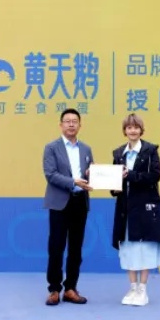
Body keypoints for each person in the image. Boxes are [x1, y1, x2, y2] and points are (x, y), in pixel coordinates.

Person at [110, 113, 160, 306]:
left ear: (141, 130)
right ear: (124, 131)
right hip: (125, 209)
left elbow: (155, 175)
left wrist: (131, 175)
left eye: (136, 127)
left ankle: (143, 289)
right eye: (129, 127)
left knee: (145, 249)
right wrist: (108, 182)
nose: (132, 131)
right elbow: (115, 182)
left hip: (145, 208)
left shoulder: (150, 150)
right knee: (128, 249)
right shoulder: (119, 153)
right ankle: (132, 287)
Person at [42, 108, 94, 306]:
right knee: (56, 246)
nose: (71, 124)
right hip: (59, 202)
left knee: (76, 248)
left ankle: (71, 288)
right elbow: (50, 174)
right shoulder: (51, 148)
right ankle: (54, 289)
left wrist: (93, 175)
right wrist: (73, 182)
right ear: (61, 125)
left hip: (80, 202)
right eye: (67, 121)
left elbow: (91, 173)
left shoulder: (86, 149)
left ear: (80, 125)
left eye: (75, 121)